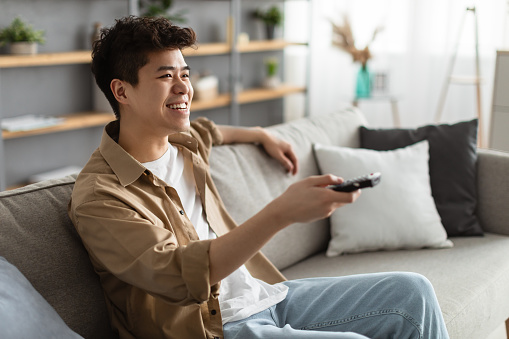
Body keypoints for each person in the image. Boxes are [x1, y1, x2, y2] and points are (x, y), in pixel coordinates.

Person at [68, 15, 449, 339]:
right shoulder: (100, 196)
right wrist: (282, 212)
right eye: (166, 76)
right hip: (215, 328)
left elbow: (210, 129)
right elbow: (181, 277)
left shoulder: (183, 143)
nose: (184, 87)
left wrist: (260, 134)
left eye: (185, 74)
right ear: (122, 91)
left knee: (413, 292)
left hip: (266, 295)